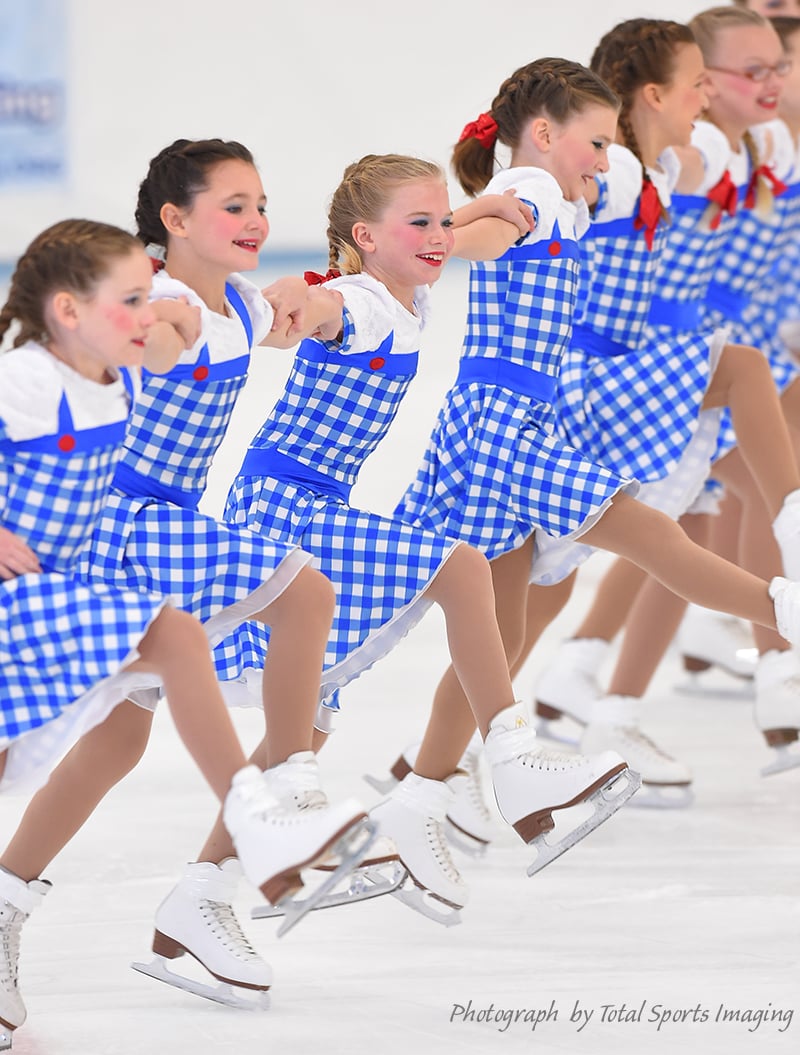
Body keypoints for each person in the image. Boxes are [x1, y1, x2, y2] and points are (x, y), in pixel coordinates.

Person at [0, 138, 383, 1013]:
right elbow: (168, 339)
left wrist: (318, 297)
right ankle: (281, 793)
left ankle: (9, 901)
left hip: (165, 525)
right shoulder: (164, 303)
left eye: (260, 204)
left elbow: (305, 313)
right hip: (129, 526)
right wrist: (158, 329)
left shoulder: (243, 305)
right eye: (234, 206)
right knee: (306, 593)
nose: (256, 221)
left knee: (114, 743)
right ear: (173, 223)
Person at [382, 51, 800, 840]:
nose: (605, 163)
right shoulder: (531, 188)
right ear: (542, 133)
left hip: (511, 422)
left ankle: (417, 797)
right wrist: (434, 242)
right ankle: (785, 612)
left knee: (500, 635)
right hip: (504, 424)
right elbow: (484, 226)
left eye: (611, 146)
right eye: (597, 144)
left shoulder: (558, 197)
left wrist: (429, 244)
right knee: (647, 534)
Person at [217, 151, 638, 923]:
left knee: (306, 717)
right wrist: (288, 304)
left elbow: (454, 231)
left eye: (443, 218)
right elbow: (315, 307)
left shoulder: (401, 295)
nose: (440, 236)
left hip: (307, 503)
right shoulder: (357, 302)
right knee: (460, 565)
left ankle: (198, 896)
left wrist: (483, 215)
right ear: (363, 236)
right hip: (287, 508)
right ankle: (510, 755)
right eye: (419, 223)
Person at [533, 8, 800, 791]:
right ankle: (775, 661)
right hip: (660, 354)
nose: (770, 79)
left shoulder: (747, 144)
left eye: (777, 64)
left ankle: (592, 693)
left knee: (671, 527)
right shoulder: (673, 155)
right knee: (684, 518)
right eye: (752, 67)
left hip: (708, 337)